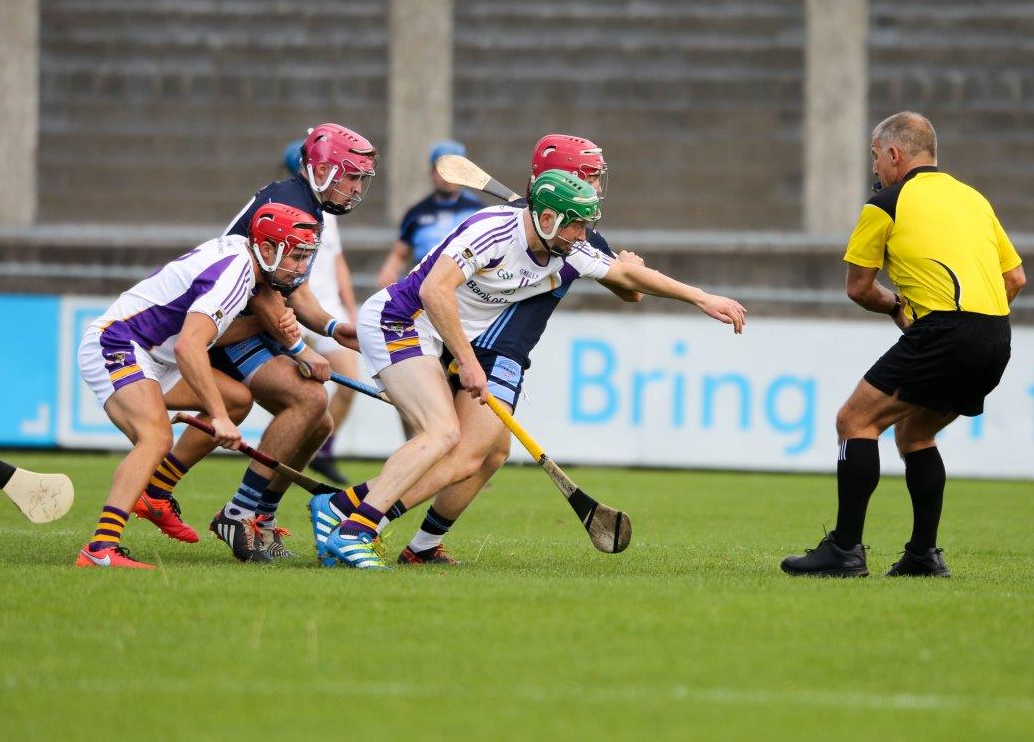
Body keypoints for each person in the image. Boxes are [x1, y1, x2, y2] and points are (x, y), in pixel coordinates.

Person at [312, 170, 747, 569]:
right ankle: (357, 528)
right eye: (577, 224)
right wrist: (467, 361)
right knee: (443, 434)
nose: (584, 235)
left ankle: (340, 509)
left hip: (432, 336)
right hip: (399, 319)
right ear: (549, 218)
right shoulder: (492, 230)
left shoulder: (569, 249)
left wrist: (702, 298)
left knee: (483, 449)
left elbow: (629, 280)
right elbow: (434, 289)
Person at [781, 111, 1026, 578]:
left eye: (875, 158)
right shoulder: (974, 199)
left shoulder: (886, 204)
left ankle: (846, 551)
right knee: (915, 434)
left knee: (855, 420)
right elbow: (1014, 278)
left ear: (894, 154)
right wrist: (977, 321)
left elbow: (858, 288)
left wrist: (898, 307)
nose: (874, 168)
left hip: (944, 331)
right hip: (996, 337)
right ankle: (922, 557)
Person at [385, 133, 645, 564]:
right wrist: (633, 272)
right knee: (464, 452)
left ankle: (423, 547)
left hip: (506, 349)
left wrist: (629, 270)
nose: (599, 186)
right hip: (492, 347)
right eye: (592, 176)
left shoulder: (574, 232)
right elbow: (632, 291)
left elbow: (628, 291)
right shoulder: (513, 226)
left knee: (492, 455)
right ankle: (358, 514)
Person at [133, 123, 375, 563]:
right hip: (234, 325)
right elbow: (262, 289)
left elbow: (294, 289)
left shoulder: (308, 205)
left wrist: (334, 328)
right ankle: (240, 513)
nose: (357, 188)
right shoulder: (287, 202)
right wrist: (302, 350)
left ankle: (257, 515)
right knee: (306, 399)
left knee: (318, 423)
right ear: (321, 170)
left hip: (257, 322)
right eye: (351, 176)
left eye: (362, 179)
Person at [75, 203, 321, 568]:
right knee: (156, 438)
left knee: (238, 399)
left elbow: (209, 336)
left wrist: (262, 327)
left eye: (306, 258)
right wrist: (218, 419)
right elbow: (189, 346)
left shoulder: (244, 260)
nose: (301, 268)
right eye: (296, 257)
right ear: (267, 249)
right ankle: (100, 549)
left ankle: (157, 493)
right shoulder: (236, 272)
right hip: (119, 344)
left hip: (155, 355)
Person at [280, 141, 361, 488]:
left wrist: (349, 308)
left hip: (326, 310)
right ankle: (286, 459)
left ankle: (321, 451)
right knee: (305, 396)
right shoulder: (289, 210)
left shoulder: (330, 213)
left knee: (349, 383)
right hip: (295, 310)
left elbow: (338, 261)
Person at [375, 140, 484, 289]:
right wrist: (388, 272)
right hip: (425, 284)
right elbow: (399, 255)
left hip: (466, 284)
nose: (447, 177)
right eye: (442, 170)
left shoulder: (476, 210)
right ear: (432, 172)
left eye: (454, 170)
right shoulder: (416, 213)